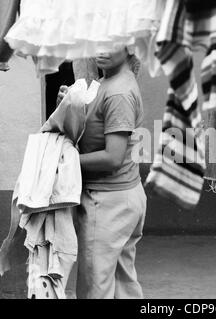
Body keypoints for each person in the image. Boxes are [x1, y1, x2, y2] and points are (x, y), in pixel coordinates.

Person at [58, 49, 146, 299]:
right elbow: (92, 128)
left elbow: (112, 157)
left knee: (95, 289)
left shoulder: (118, 91)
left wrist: (64, 160)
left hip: (109, 203)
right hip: (122, 198)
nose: (101, 49)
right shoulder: (107, 83)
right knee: (122, 285)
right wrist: (68, 105)